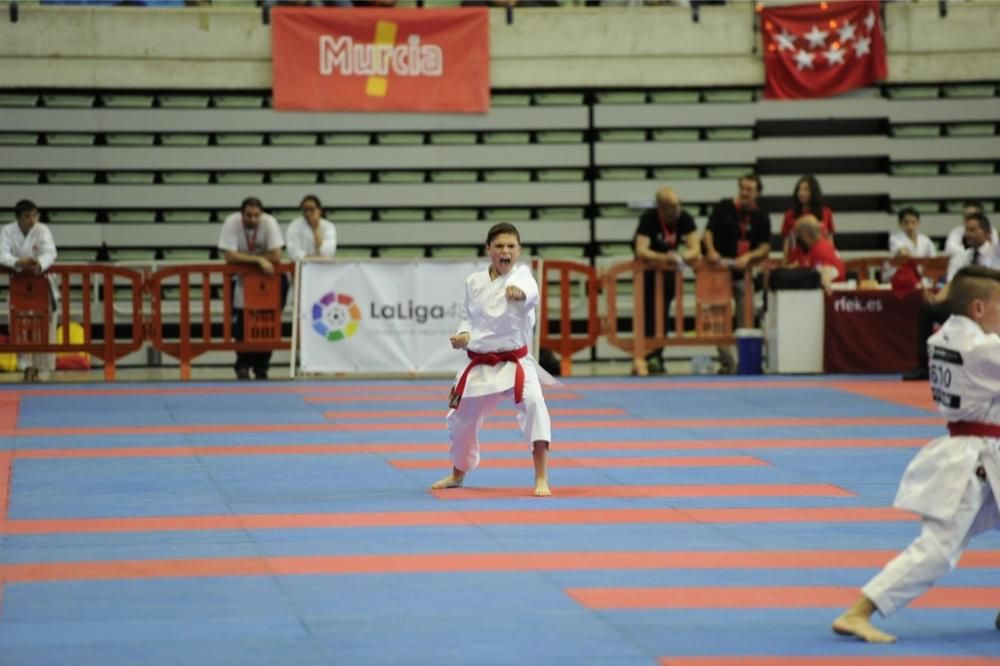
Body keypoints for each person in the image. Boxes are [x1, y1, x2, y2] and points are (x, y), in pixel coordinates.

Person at [832, 264, 1000, 644]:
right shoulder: (982, 349)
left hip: (979, 451)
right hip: (975, 460)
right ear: (977, 308)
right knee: (938, 549)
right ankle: (859, 611)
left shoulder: (944, 338)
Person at [432, 222, 557, 497]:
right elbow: (468, 317)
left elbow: (530, 293)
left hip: (515, 363)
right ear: (488, 248)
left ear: (519, 250)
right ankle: (458, 473)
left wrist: (520, 294)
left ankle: (541, 478)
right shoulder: (474, 282)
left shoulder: (523, 278)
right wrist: (463, 335)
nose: (505, 251)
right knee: (459, 419)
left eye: (511, 246)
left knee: (535, 405)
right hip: (480, 363)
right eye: (499, 246)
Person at [903, 211, 996, 382]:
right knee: (928, 309)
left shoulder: (995, 253)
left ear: (987, 232)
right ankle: (924, 365)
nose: (969, 234)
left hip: (991, 309)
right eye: (967, 230)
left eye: (973, 230)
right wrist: (937, 298)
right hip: (963, 309)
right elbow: (952, 283)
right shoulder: (963, 257)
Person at [703, 173, 771, 373]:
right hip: (719, 272)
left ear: (757, 193)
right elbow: (708, 233)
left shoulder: (761, 217)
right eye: (742, 187)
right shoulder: (724, 207)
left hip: (743, 275)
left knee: (746, 317)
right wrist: (711, 251)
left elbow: (765, 247)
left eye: (749, 189)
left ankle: (746, 362)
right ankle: (727, 362)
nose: (744, 192)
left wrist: (749, 257)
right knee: (717, 319)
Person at [632, 186, 700, 375]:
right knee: (647, 315)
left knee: (663, 315)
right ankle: (645, 356)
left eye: (678, 205)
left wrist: (680, 256)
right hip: (647, 275)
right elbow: (641, 250)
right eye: (671, 207)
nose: (676, 210)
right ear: (661, 208)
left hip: (668, 275)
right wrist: (665, 258)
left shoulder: (684, 218)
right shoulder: (649, 219)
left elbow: (695, 248)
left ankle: (657, 355)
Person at [217, 197, 286, 381]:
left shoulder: (269, 222)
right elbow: (229, 256)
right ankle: (242, 366)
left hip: (268, 279)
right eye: (248, 215)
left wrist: (248, 259)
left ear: (261, 214)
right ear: (241, 214)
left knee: (269, 321)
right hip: (241, 279)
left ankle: (262, 367)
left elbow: (277, 255)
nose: (253, 220)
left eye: (256, 216)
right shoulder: (232, 223)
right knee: (241, 322)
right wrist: (258, 260)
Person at [0, 200, 58, 383]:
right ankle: (26, 368)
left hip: (41, 282)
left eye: (34, 215)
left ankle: (43, 369)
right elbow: (2, 254)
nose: (32, 220)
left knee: (46, 325)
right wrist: (18, 262)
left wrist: (38, 262)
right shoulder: (8, 231)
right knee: (19, 326)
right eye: (27, 216)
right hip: (19, 283)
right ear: (18, 217)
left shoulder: (42, 230)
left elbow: (51, 252)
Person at [781, 175, 834, 262]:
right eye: (799, 190)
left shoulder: (826, 213)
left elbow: (830, 240)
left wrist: (831, 259)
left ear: (814, 192)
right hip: (796, 262)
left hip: (820, 260)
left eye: (806, 190)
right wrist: (785, 262)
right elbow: (787, 242)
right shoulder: (789, 214)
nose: (801, 193)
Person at [786, 215, 846, 291]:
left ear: (805, 234)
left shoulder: (820, 249)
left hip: (833, 291)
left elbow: (825, 277)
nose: (799, 239)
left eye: (799, 235)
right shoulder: (821, 245)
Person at [285, 195, 337, 261]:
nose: (308, 213)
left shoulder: (329, 226)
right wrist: (314, 259)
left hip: (324, 267)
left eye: (311, 210)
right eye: (305, 210)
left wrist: (316, 229)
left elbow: (329, 253)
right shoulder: (294, 226)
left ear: (319, 210)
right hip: (302, 266)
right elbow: (293, 253)